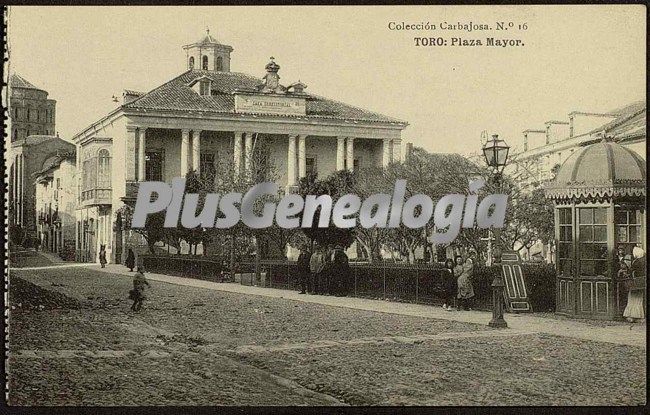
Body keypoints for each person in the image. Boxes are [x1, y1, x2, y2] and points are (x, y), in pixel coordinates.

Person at [623, 246, 646, 322]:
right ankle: (639, 316)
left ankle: (631, 316)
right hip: (641, 282)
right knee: (639, 300)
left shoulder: (636, 262)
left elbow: (631, 271)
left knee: (632, 299)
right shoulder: (644, 261)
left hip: (635, 283)